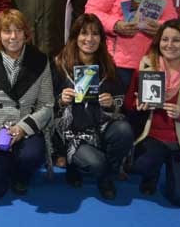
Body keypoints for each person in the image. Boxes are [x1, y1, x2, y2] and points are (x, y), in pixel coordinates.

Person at [125, 19, 180, 206]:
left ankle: (173, 166)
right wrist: (137, 104)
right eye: (165, 39)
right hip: (152, 137)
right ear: (158, 42)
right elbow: (128, 103)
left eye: (176, 40)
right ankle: (152, 173)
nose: (169, 45)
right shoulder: (146, 65)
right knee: (134, 166)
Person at [0, 9, 54, 199]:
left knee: (31, 156)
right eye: (7, 31)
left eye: (19, 30)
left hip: (23, 126)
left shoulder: (40, 60)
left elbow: (47, 104)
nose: (13, 36)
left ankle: (19, 175)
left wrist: (22, 129)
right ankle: (1, 163)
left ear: (26, 33)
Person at [52, 13, 133, 200]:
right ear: (75, 37)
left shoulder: (108, 65)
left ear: (101, 38)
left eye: (95, 34)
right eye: (84, 33)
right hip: (72, 134)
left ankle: (107, 178)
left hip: (101, 125)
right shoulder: (59, 64)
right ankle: (75, 164)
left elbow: (121, 100)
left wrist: (112, 102)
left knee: (124, 130)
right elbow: (46, 102)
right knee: (97, 164)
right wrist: (60, 99)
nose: (89, 39)